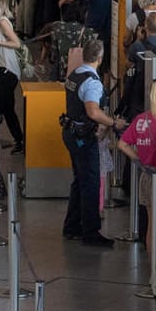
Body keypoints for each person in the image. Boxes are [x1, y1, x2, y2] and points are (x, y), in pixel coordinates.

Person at [63, 37, 125, 247]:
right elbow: (92, 111)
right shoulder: (92, 83)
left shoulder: (74, 75)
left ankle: (72, 226)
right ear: (100, 58)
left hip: (70, 132)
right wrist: (113, 122)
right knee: (90, 183)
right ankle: (90, 232)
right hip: (83, 137)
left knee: (79, 180)